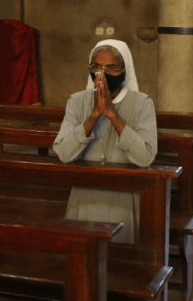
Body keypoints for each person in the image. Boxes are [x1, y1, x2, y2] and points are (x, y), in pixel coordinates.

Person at [53, 40, 157, 244]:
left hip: (124, 198)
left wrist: (111, 114)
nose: (102, 74)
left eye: (111, 68)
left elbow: (145, 157)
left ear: (124, 71)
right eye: (96, 67)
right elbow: (64, 154)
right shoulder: (77, 101)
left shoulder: (142, 103)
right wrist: (93, 116)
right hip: (84, 196)